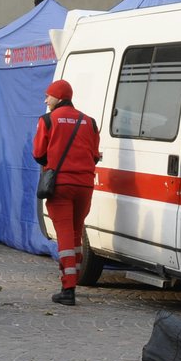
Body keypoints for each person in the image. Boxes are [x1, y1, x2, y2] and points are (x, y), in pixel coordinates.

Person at [33, 79, 103, 305]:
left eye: (48, 96)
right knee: (75, 231)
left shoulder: (48, 120)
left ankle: (68, 288)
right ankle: (75, 276)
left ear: (58, 97)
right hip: (85, 184)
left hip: (61, 184)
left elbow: (38, 153)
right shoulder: (89, 122)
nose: (46, 100)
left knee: (63, 234)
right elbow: (94, 155)